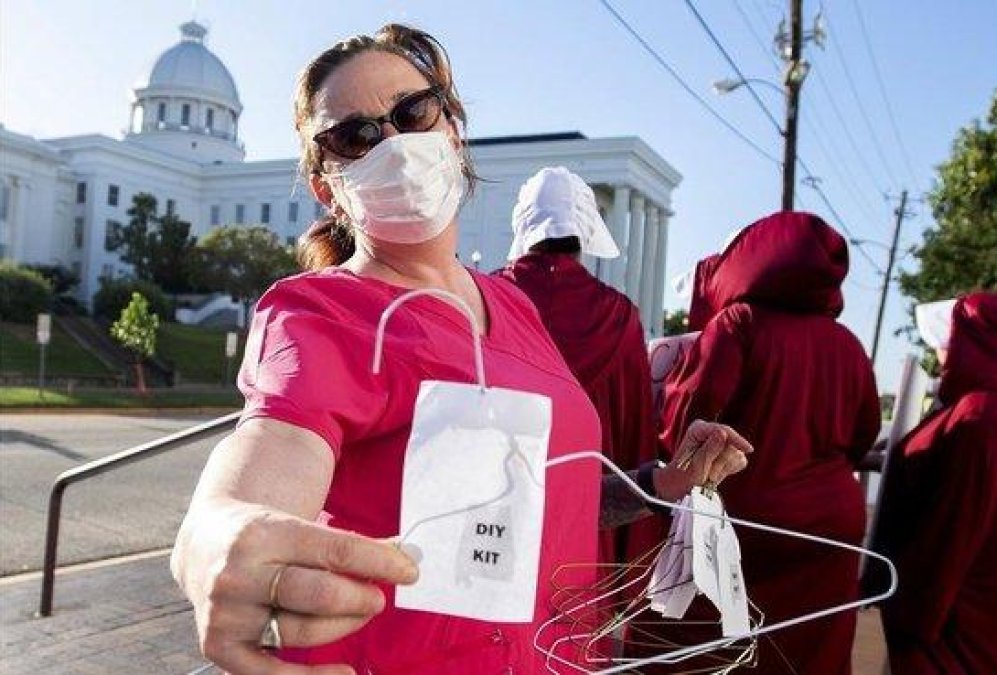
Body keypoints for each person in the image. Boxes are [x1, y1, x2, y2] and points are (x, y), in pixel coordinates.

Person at [170, 24, 751, 675]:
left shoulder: (515, 306)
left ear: (452, 127)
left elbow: (547, 491)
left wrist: (665, 481)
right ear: (327, 187)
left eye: (412, 112)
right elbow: (270, 451)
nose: (393, 143)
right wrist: (214, 532)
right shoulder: (319, 312)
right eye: (354, 136)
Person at [656, 211, 882, 674]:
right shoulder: (848, 344)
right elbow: (864, 433)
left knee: (711, 653)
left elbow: (687, 422)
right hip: (829, 530)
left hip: (749, 521)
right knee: (810, 656)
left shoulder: (739, 323)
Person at [872, 292, 997, 674]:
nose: (940, 355)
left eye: (945, 343)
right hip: (980, 615)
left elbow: (953, 529)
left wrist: (912, 614)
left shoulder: (982, 415)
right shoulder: (993, 404)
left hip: (965, 625)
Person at [496, 167, 659, 565]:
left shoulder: (487, 298)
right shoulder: (619, 316)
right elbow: (634, 438)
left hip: (495, 516)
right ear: (585, 232)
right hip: (587, 515)